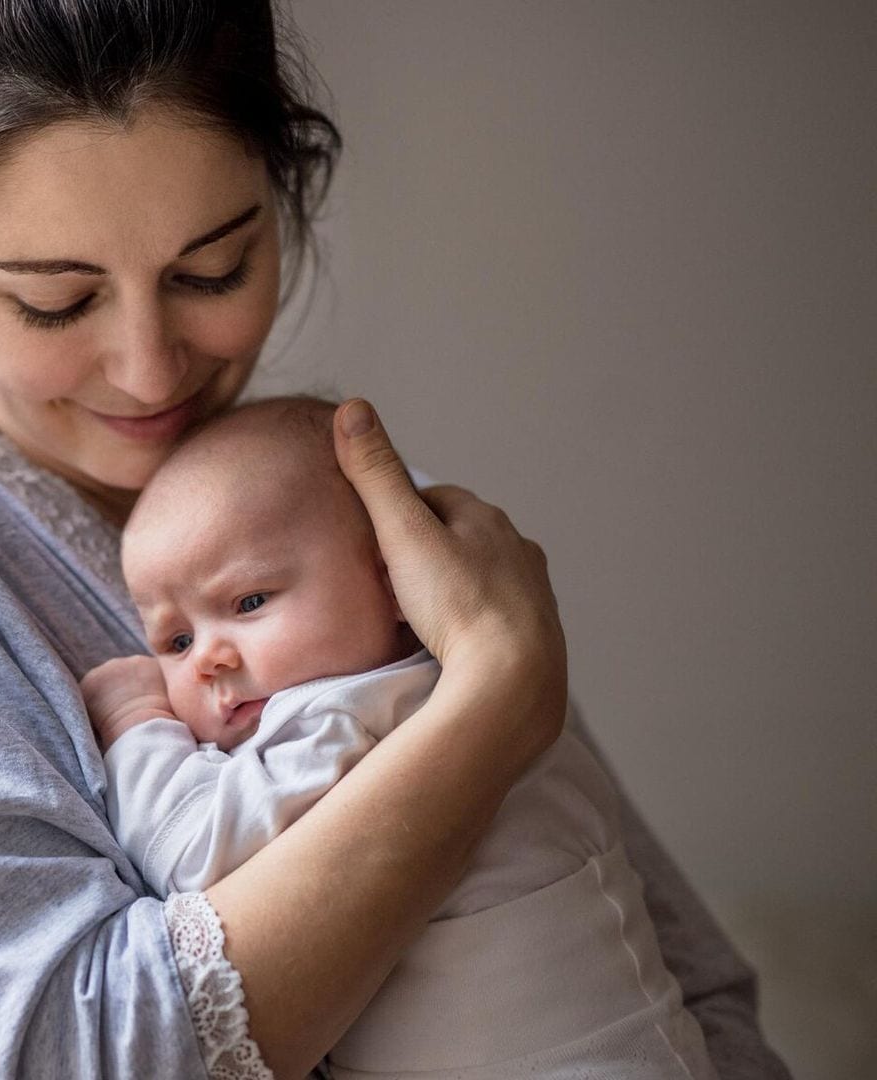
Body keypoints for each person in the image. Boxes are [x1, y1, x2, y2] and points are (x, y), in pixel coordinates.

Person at [0, 2, 788, 1076]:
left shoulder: (327, 488)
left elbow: (680, 973)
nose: (151, 368)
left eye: (210, 271)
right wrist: (495, 699)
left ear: (287, 185)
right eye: (57, 303)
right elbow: (62, 1056)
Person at [85, 398, 716, 1078]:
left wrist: (137, 728)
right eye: (175, 641)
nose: (209, 656)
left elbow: (196, 853)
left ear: (394, 582)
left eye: (249, 602)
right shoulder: (458, 681)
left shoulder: (350, 717)